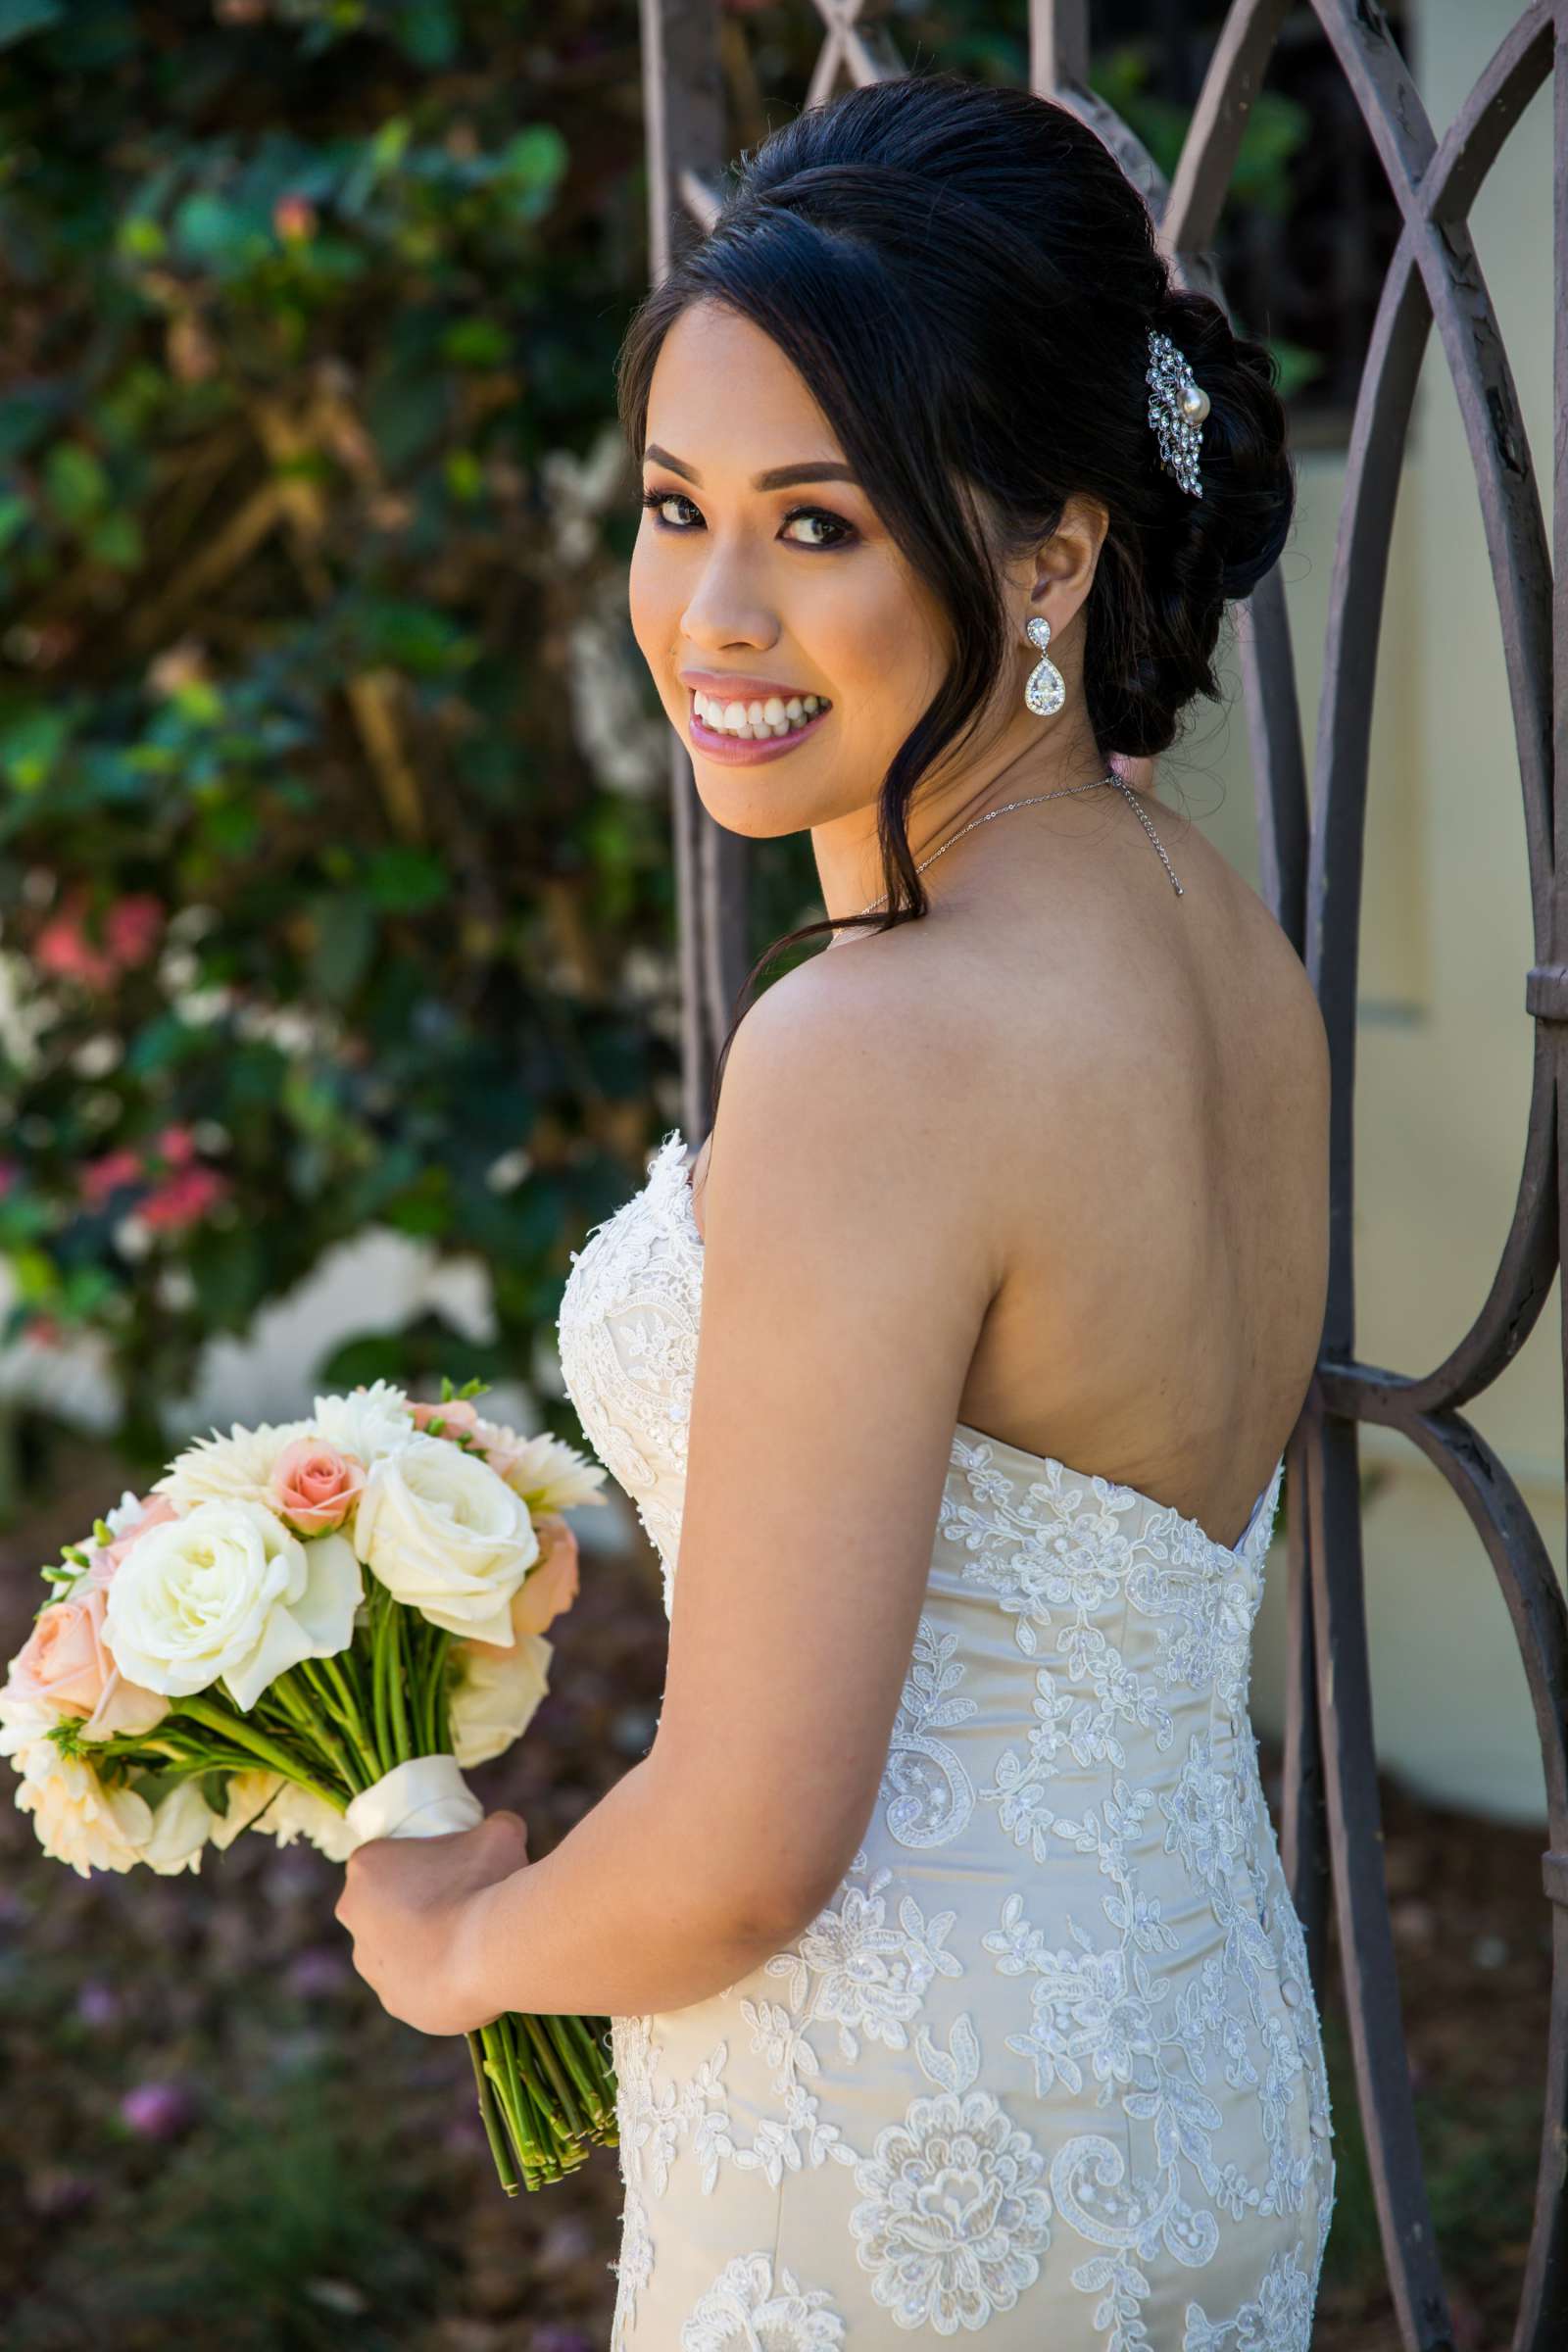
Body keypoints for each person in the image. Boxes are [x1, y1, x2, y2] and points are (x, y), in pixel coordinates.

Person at [336, 70, 1336, 2348]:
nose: (710, 611)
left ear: (1047, 551)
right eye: (679, 507)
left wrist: (451, 1944)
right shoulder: (1212, 938)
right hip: (1191, 2070)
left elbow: (750, 1846)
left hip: (904, 2160)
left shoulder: (875, 1046)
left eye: (819, 524)